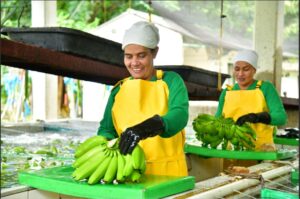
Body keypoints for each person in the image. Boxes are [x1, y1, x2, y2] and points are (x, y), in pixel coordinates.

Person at [97, 21, 189, 176]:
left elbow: (180, 114)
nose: (134, 63)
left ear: (154, 53)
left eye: (141, 55)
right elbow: (106, 130)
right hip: (128, 172)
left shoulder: (171, 80)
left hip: (169, 172)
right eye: (128, 56)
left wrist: (149, 127)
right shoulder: (118, 90)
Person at [215, 49, 287, 152]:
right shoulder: (227, 91)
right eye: (237, 69)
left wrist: (258, 117)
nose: (240, 74)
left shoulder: (265, 88)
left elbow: (281, 118)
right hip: (232, 151)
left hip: (261, 149)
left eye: (245, 69)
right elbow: (217, 120)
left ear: (254, 70)